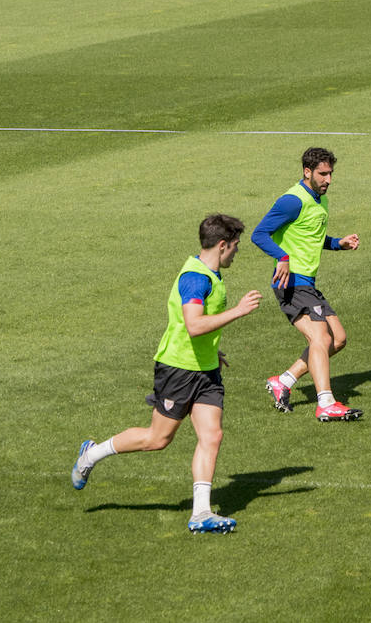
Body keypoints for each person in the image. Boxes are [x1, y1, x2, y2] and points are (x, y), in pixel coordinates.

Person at [71, 214, 261, 534]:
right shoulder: (195, 279)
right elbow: (193, 324)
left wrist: (212, 351)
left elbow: (196, 328)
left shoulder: (210, 274)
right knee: (157, 439)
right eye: (236, 247)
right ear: (222, 245)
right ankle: (92, 454)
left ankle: (201, 512)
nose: (237, 253)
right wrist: (238, 311)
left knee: (212, 435)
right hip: (179, 371)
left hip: (206, 371)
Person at [253, 147, 363, 422]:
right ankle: (325, 402)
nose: (328, 180)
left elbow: (313, 236)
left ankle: (284, 381)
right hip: (291, 282)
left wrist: (338, 244)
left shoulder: (320, 201)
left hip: (307, 283)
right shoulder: (293, 200)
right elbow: (259, 234)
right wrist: (282, 257)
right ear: (307, 172)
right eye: (323, 174)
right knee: (320, 338)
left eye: (330, 174)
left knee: (337, 339)